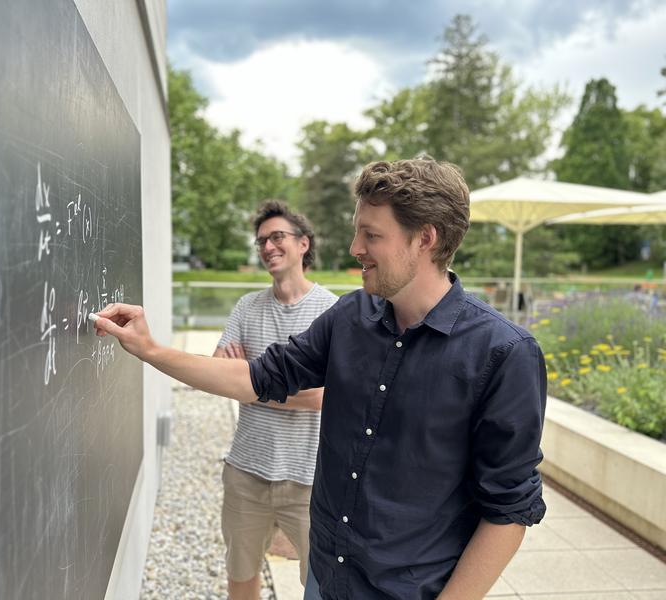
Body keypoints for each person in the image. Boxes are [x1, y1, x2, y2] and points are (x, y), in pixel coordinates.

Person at [93, 157, 547, 600]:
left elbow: (508, 512)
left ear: (424, 238)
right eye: (357, 231)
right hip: (327, 579)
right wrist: (150, 350)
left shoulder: (503, 353)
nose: (355, 248)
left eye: (371, 235)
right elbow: (257, 377)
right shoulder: (349, 317)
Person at [213, 200, 338, 599]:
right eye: (262, 240)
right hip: (246, 470)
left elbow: (324, 398)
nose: (268, 246)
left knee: (319, 584)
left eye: (277, 237)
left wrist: (250, 379)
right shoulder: (246, 307)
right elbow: (221, 378)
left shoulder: (332, 311)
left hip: (308, 479)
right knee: (241, 573)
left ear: (304, 244)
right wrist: (272, 387)